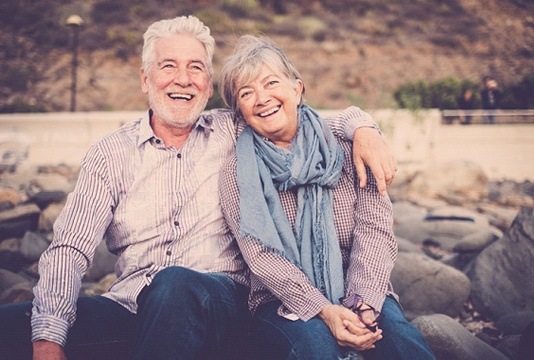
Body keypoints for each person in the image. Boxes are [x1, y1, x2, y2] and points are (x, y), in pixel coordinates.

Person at [0, 16, 396, 360]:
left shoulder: (234, 130)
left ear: (208, 87)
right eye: (168, 66)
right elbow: (69, 249)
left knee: (176, 284)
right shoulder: (110, 154)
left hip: (222, 308)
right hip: (133, 308)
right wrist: (48, 338)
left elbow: (293, 113)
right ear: (145, 79)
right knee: (15, 327)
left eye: (196, 68)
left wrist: (363, 127)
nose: (183, 79)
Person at [219, 34, 435, 360]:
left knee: (403, 345)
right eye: (246, 93)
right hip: (282, 300)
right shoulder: (239, 170)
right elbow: (261, 256)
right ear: (241, 111)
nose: (261, 98)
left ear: (297, 88)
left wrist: (363, 302)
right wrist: (324, 311)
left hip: (360, 286)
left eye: (271, 83)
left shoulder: (348, 146)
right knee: (316, 348)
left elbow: (375, 232)